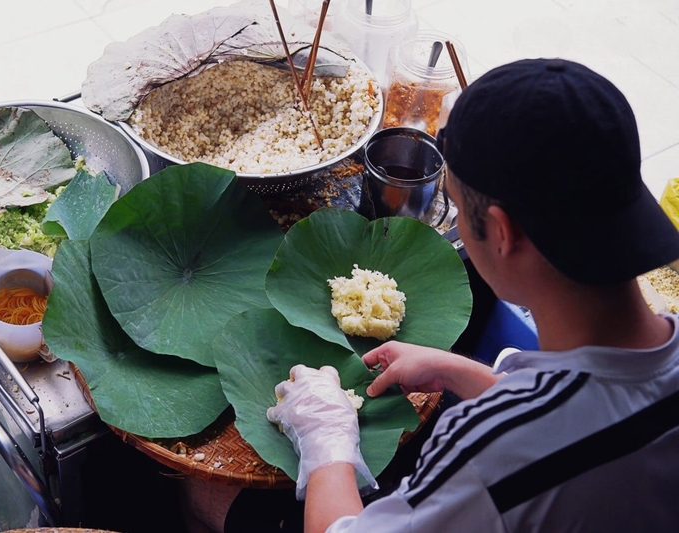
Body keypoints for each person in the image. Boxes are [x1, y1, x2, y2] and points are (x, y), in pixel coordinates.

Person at [266, 58, 679, 532]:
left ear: (501, 232)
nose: (458, 223)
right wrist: (458, 370)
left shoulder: (496, 454)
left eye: (458, 206)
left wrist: (326, 439)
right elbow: (602, 413)